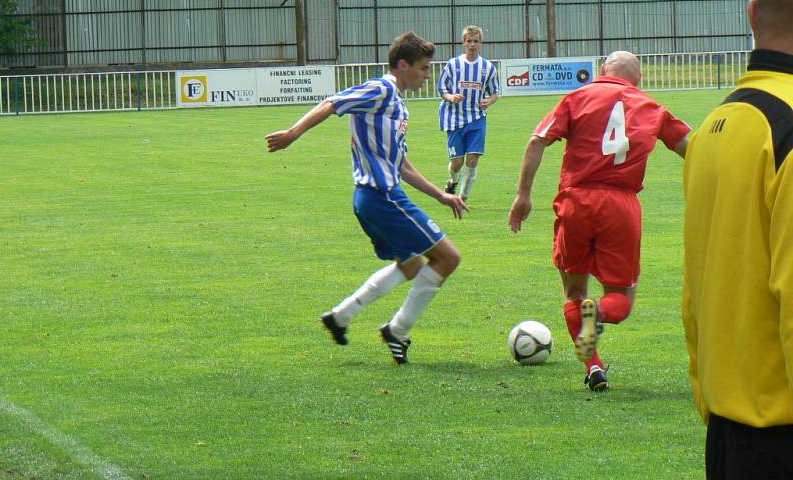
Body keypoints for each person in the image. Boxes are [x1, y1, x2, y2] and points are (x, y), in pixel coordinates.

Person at [266, 31, 468, 365]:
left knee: (412, 264)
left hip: (375, 197)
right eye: (422, 68)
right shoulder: (382, 89)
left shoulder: (398, 105)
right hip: (381, 196)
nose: (426, 75)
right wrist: (292, 134)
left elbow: (402, 165)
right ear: (402, 65)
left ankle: (341, 316)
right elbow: (332, 103)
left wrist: (441, 196)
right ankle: (398, 331)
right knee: (448, 258)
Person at [508, 51, 690, 391]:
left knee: (574, 291)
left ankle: (593, 364)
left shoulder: (578, 96)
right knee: (620, 301)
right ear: (637, 80)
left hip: (576, 200)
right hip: (621, 205)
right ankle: (600, 317)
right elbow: (692, 148)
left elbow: (537, 140)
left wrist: (523, 195)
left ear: (602, 70)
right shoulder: (652, 107)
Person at [682, 0, 793, 478]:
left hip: (726, 436)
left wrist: (711, 400)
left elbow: (694, 293)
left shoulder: (711, 129)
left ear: (753, 14)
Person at [438, 25, 500, 202]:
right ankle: (453, 180)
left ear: (481, 43)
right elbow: (441, 88)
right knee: (457, 162)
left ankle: (462, 198)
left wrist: (489, 101)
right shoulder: (453, 64)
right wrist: (450, 97)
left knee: (472, 160)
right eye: (469, 41)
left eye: (476, 41)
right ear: (463, 42)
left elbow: (495, 91)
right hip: (455, 119)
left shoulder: (487, 67)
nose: (472, 44)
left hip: (477, 119)